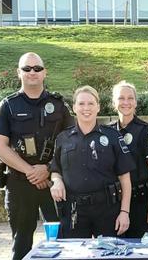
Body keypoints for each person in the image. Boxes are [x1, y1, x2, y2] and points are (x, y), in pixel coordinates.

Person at [0, 52, 74, 260]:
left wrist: (47, 169)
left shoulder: (59, 105)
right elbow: (0, 146)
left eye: (37, 68)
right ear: (19, 73)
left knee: (60, 238)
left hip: (52, 183)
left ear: (44, 72)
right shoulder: (7, 105)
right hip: (20, 183)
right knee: (21, 241)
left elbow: (71, 143)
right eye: (27, 69)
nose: (32, 73)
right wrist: (31, 171)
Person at [50, 86, 135, 238]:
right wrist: (57, 182)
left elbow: (125, 178)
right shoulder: (63, 138)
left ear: (98, 107)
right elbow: (55, 170)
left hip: (107, 210)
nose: (86, 108)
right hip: (74, 210)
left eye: (91, 103)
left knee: (108, 257)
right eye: (81, 104)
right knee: (75, 259)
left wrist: (124, 212)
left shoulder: (113, 137)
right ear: (74, 107)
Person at [109, 81, 148, 238]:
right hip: (114, 203)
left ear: (136, 102)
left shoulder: (146, 132)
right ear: (114, 102)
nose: (126, 102)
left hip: (141, 203)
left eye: (130, 98)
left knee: (143, 256)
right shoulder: (107, 132)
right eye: (121, 98)